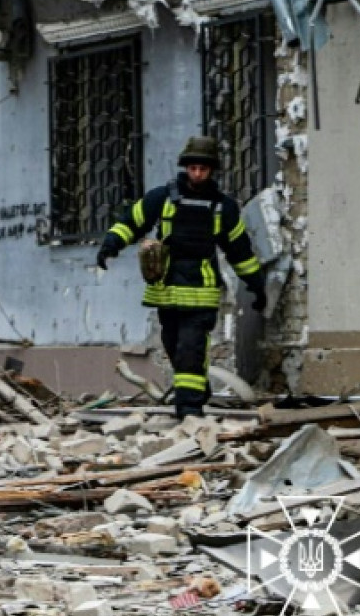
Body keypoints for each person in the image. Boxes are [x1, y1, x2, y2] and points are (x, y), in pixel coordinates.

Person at [95, 136, 265, 419]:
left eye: (203, 169)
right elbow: (132, 222)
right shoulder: (162, 198)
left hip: (201, 290)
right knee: (174, 344)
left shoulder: (224, 208)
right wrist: (111, 244)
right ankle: (196, 392)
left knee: (191, 347)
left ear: (212, 170)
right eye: (193, 168)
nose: (197, 174)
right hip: (167, 288)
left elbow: (240, 251)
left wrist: (256, 284)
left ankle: (189, 410)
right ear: (186, 167)